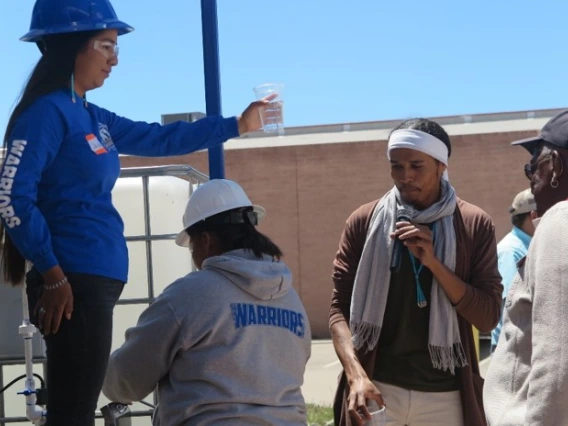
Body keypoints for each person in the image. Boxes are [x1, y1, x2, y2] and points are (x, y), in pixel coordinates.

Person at [0, 0, 272, 424]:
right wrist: (53, 276)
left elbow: (158, 138)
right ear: (73, 45)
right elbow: (13, 197)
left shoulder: (90, 114)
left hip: (90, 282)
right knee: (71, 413)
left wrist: (235, 125)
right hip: (72, 284)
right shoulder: (46, 114)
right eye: (106, 45)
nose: (115, 58)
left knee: (75, 409)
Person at [329, 118, 503, 426]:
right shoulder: (364, 222)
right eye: (396, 166)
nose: (405, 176)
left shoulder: (473, 225)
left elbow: (488, 316)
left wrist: (434, 263)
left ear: (441, 166)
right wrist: (356, 376)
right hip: (378, 390)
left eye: (416, 166)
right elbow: (338, 311)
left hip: (446, 396)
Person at [102, 179, 311, 425]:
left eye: (191, 246)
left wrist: (103, 375)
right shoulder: (290, 297)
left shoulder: (190, 295)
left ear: (206, 240)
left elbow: (127, 380)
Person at [484, 110, 568, 425]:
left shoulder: (561, 220)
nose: (531, 178)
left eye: (533, 166)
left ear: (556, 167)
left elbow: (558, 369)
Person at [490, 189, 536, 352]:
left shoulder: (528, 246)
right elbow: (511, 308)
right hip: (512, 352)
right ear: (533, 216)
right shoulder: (511, 251)